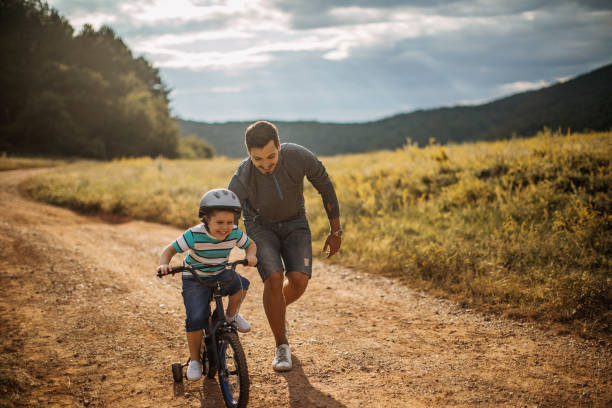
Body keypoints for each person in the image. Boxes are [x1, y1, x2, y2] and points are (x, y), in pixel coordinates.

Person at [228, 120, 342, 372]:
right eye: (258, 160)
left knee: (300, 280)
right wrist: (227, 247)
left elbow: (325, 186)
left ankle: (276, 311)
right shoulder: (242, 176)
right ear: (249, 154)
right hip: (260, 226)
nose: (266, 165)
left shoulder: (299, 156)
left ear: (279, 145)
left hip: (295, 223)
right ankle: (282, 345)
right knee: (274, 278)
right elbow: (229, 214)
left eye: (271, 156)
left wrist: (336, 230)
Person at [157, 188, 257, 381]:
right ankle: (195, 361)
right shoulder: (194, 235)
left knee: (241, 284)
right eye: (219, 222)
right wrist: (164, 264)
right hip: (194, 277)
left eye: (230, 222)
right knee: (196, 317)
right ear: (206, 220)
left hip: (219, 272)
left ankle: (230, 315)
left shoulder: (235, 233)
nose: (225, 227)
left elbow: (250, 245)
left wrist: (250, 255)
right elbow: (168, 250)